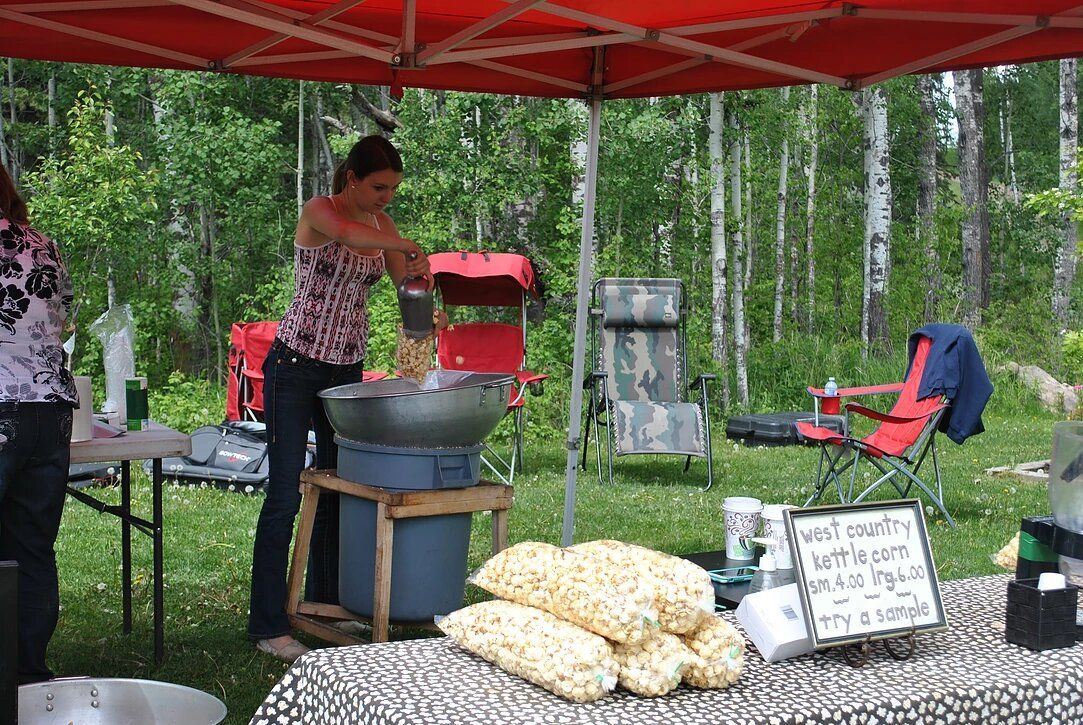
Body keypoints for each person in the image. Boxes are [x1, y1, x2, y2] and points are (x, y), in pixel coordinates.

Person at [248, 135, 445, 662]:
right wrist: (402, 247)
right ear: (352, 178)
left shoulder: (384, 228)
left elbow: (409, 291)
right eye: (379, 187)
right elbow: (345, 233)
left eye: (394, 191)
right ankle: (267, 623)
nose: (387, 199)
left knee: (338, 490)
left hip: (345, 367)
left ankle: (322, 605)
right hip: (295, 363)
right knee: (287, 493)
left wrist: (427, 313)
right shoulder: (320, 211)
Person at [0, 163, 77, 683]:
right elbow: (63, 313)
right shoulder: (41, 243)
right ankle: (27, 674)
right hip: (50, 410)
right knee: (31, 548)